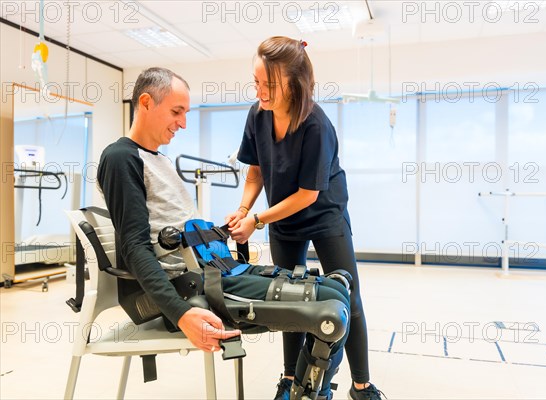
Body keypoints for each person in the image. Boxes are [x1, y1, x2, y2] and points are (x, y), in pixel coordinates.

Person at [97, 67, 350, 398]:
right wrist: (181, 312)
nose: (183, 123)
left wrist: (228, 228)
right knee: (332, 306)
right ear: (145, 102)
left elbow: (180, 234)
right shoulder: (120, 158)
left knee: (338, 286)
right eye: (176, 112)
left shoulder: (158, 160)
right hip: (191, 288)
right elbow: (134, 248)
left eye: (185, 113)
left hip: (216, 269)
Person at [226, 37, 384, 400]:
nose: (260, 91)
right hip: (281, 217)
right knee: (287, 302)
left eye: (269, 85)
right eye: (256, 82)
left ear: (294, 84)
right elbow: (255, 172)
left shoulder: (315, 125)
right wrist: (244, 209)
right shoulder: (257, 114)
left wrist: (258, 220)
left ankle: (361, 386)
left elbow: (308, 195)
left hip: (323, 214)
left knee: (349, 299)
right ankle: (289, 379)